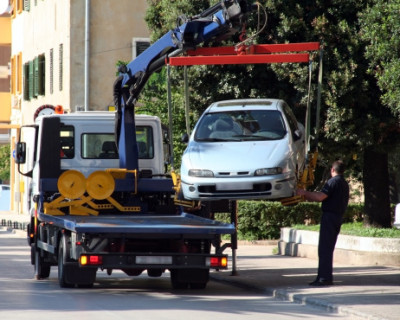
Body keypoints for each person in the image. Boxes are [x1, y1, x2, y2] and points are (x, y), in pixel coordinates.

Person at [296, 160, 349, 286]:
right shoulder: (344, 183)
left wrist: (304, 193)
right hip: (337, 217)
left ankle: (324, 278)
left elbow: (320, 196)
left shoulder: (332, 182)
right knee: (327, 248)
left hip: (329, 217)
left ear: (332, 170)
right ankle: (322, 276)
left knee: (324, 249)